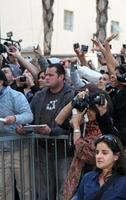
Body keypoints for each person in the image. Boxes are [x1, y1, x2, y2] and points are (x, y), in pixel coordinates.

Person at [30, 63, 75, 200]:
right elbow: (30, 117)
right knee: (44, 189)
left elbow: (74, 124)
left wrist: (52, 132)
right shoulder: (39, 95)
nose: (46, 78)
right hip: (42, 148)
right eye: (45, 75)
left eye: (50, 75)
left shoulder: (72, 95)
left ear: (61, 77)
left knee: (64, 189)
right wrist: (25, 127)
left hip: (64, 150)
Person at [72, 134, 126, 200]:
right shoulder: (88, 177)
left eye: (104, 153)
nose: (99, 156)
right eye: (97, 152)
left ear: (116, 156)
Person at [0, 70, 33, 200]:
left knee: (25, 188)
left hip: (20, 149)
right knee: (2, 190)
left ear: (1, 82)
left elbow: (28, 115)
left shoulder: (16, 96)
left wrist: (14, 118)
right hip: (1, 151)